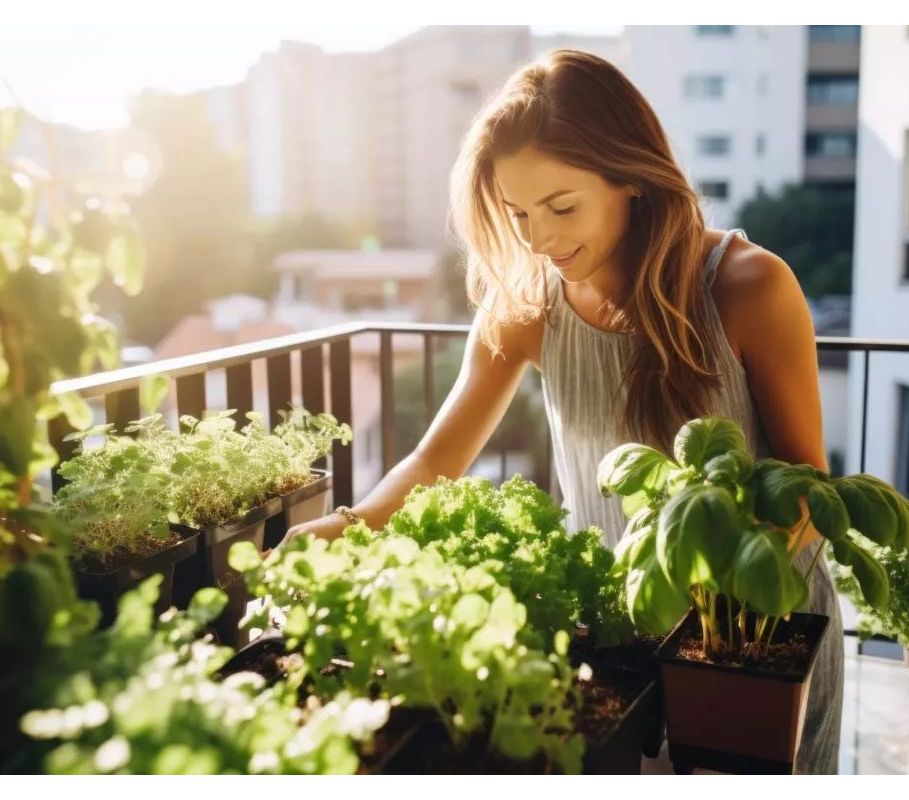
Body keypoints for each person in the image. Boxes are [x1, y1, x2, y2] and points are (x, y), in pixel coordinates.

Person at [279, 49, 843, 774]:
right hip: (619, 639)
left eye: (562, 206)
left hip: (754, 644)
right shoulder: (527, 307)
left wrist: (721, 601)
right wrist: (343, 527)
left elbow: (808, 483)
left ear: (631, 177)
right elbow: (436, 460)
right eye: (518, 214)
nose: (540, 239)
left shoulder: (748, 286)